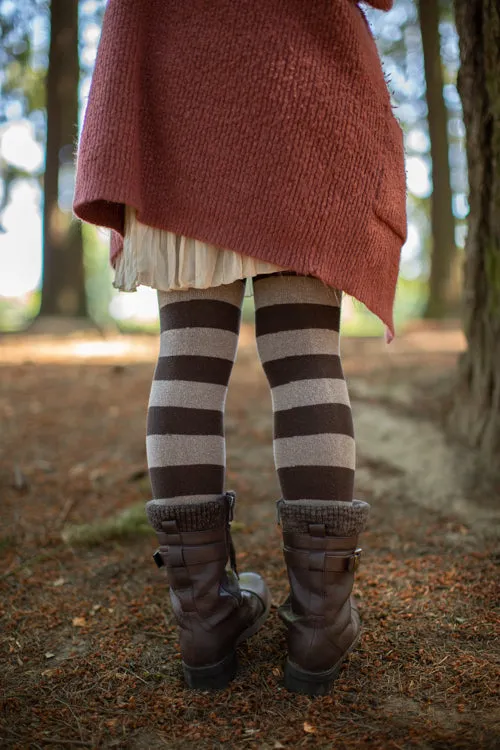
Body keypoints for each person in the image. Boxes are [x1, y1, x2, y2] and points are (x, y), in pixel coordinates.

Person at [73, 0, 407, 696]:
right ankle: (320, 621)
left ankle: (202, 618)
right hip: (296, 96)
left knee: (187, 362)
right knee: (307, 359)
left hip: (177, 101)